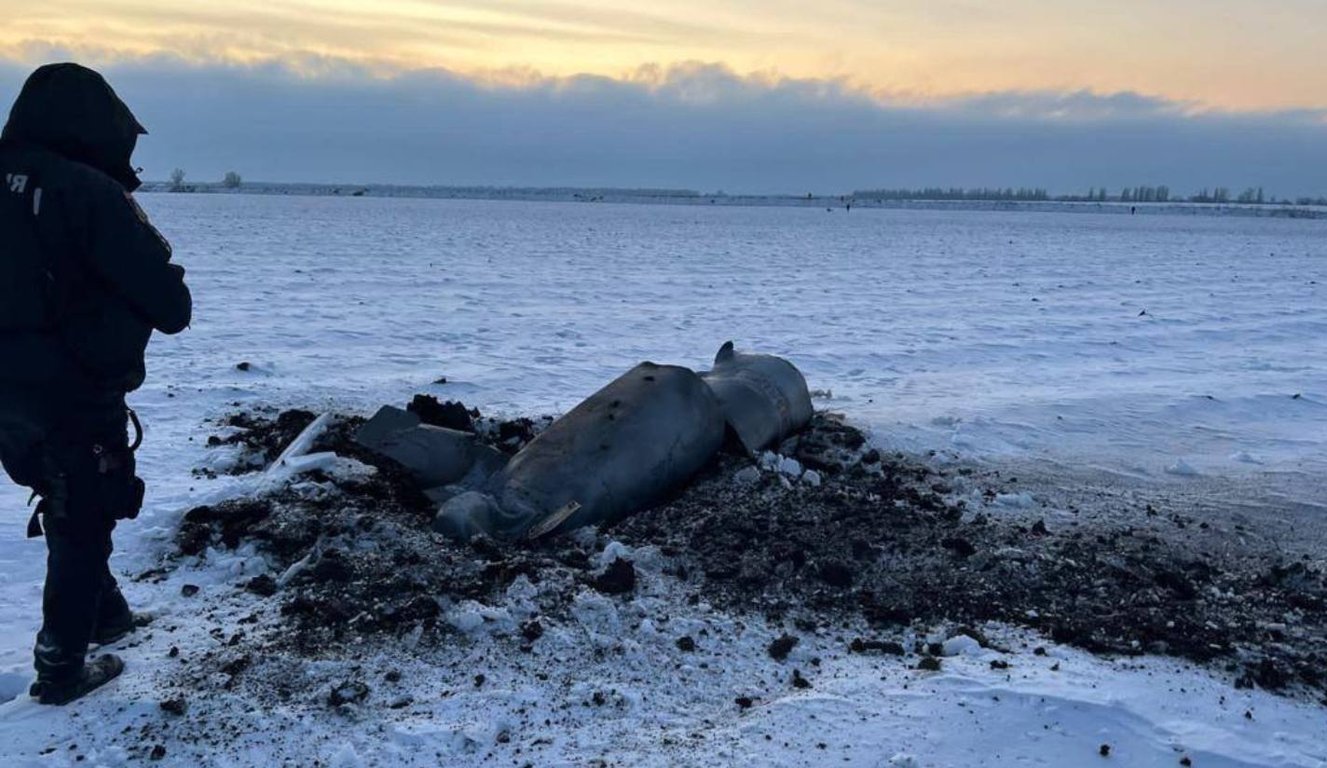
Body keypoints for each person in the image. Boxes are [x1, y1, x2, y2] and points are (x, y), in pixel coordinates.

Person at [0, 63, 192, 705]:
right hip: (72, 388)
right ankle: (61, 668)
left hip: (9, 391)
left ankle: (105, 615)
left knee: (65, 494)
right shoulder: (85, 191)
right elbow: (170, 305)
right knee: (83, 508)